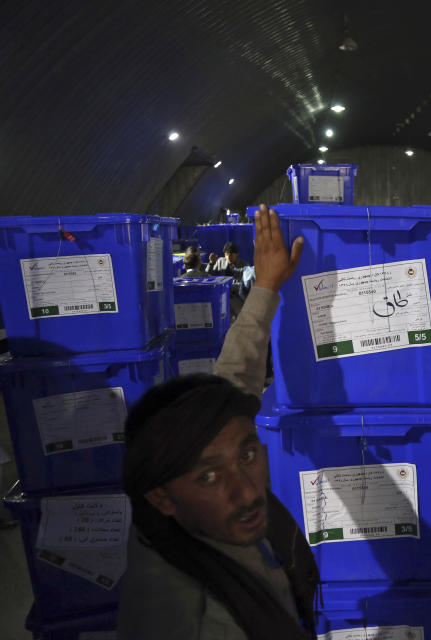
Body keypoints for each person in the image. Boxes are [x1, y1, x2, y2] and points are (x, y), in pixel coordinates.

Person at [117, 205, 316, 639]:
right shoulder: (195, 616)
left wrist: (265, 286)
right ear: (161, 497)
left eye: (247, 453)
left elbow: (234, 384)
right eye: (207, 476)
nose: (247, 490)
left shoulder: (186, 521)